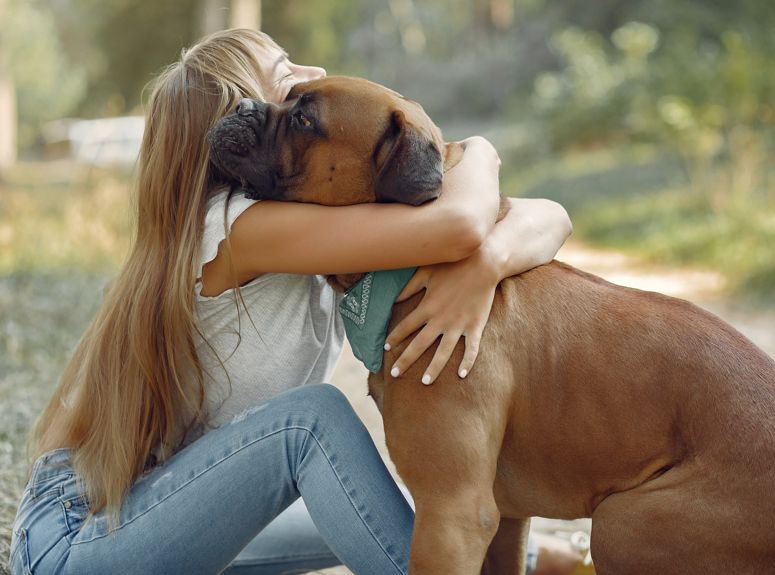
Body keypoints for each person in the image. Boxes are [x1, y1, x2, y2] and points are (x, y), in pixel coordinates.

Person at [9, 28, 576, 575]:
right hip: (75, 540)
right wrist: (479, 151)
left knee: (401, 499)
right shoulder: (239, 228)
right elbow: (459, 222)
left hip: (159, 510)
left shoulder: (317, 215)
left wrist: (490, 262)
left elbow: (550, 216)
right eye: (286, 79)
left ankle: (543, 559)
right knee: (312, 424)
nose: (317, 75)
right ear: (239, 116)